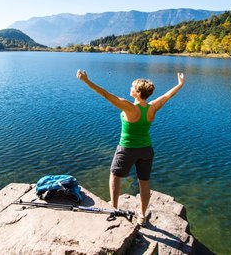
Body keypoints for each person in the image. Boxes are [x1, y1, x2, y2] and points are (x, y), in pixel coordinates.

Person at [76, 69, 185, 226]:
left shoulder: (130, 108)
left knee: (114, 175)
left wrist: (86, 81)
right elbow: (168, 95)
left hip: (127, 149)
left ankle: (113, 208)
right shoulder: (152, 107)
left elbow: (106, 95)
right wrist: (180, 84)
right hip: (146, 149)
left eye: (132, 87)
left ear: (138, 93)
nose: (130, 88)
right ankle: (142, 215)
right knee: (144, 182)